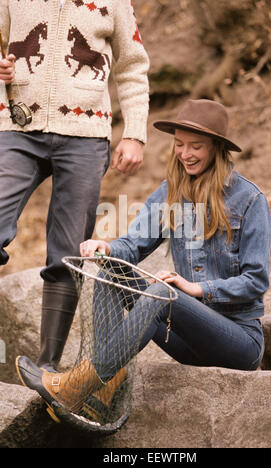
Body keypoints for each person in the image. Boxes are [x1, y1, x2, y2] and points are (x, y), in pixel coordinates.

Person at [16, 99, 271, 415]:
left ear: (218, 148)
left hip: (238, 341)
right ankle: (103, 388)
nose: (185, 154)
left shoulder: (250, 200)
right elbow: (133, 245)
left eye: (196, 147)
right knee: (111, 271)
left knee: (160, 294)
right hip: (189, 343)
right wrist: (107, 248)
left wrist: (196, 289)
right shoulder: (171, 191)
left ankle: (78, 385)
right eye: (179, 144)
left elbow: (256, 281)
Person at [0, 0, 150, 373]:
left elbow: (132, 65)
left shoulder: (114, 2)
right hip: (18, 129)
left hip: (85, 138)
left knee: (68, 253)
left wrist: (134, 134)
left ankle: (47, 366)